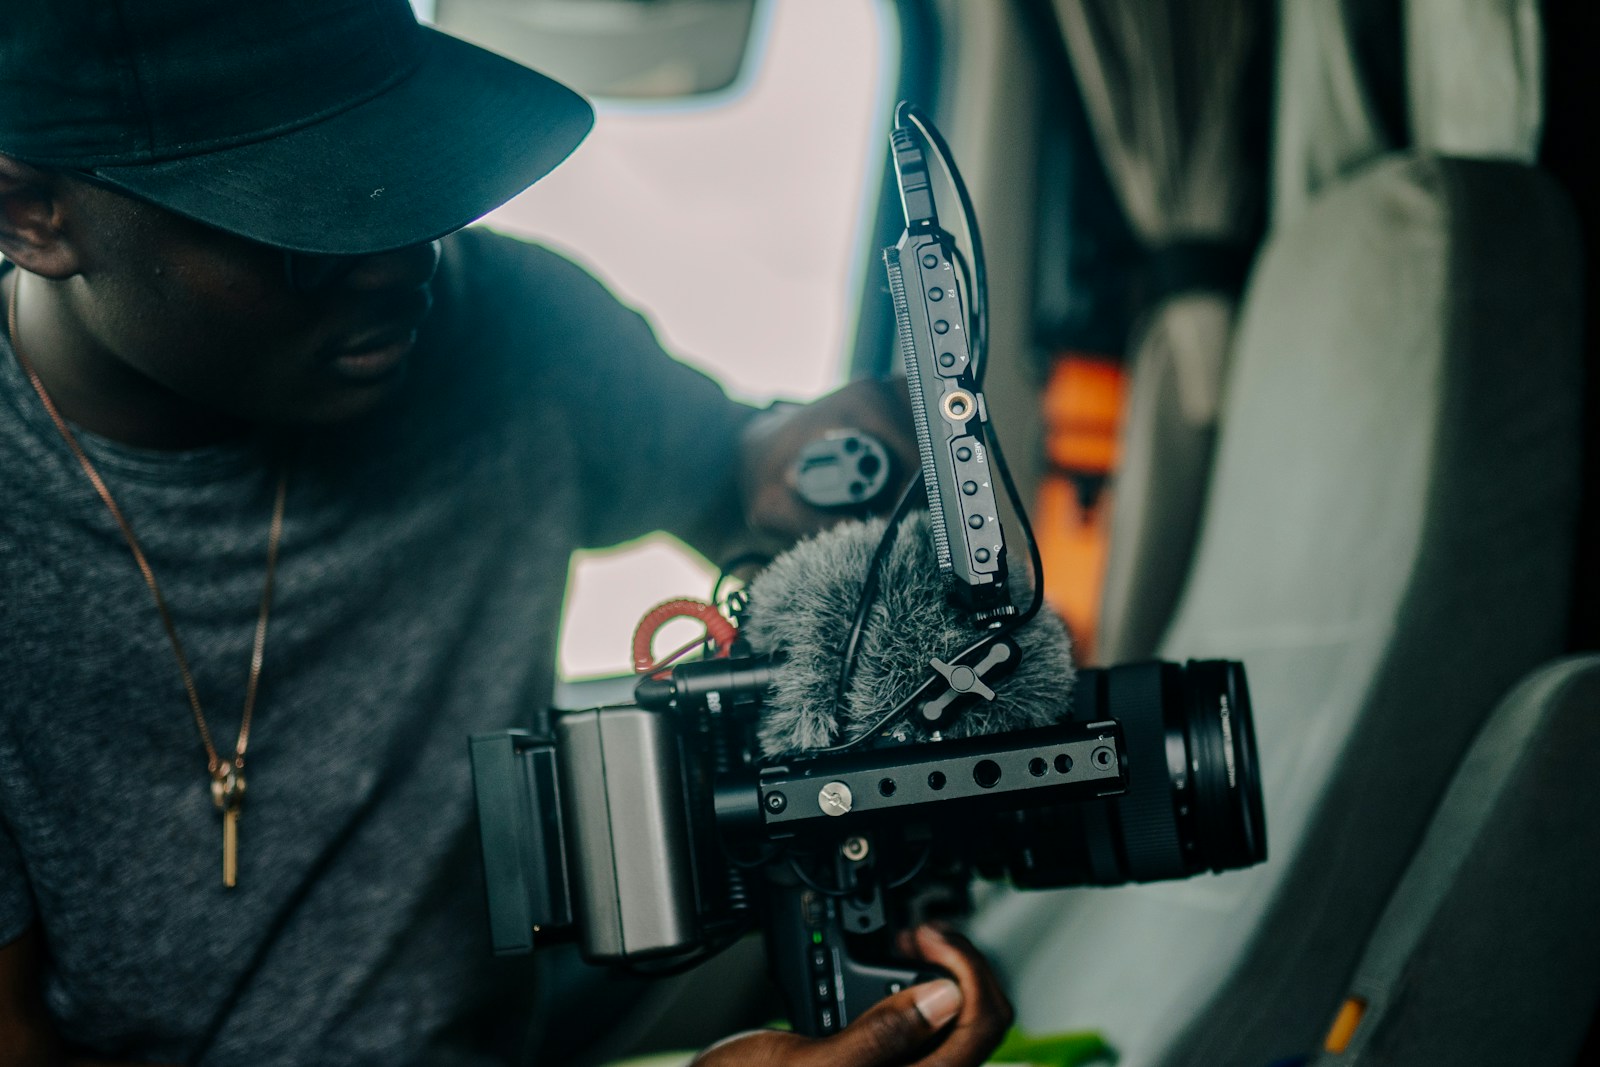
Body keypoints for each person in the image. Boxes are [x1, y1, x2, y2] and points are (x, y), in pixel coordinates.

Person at [0, 1, 1014, 1064]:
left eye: (418, 175)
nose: (404, 261)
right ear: (32, 214)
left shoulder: (507, 326)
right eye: (307, 220)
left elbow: (730, 476)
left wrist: (802, 457)